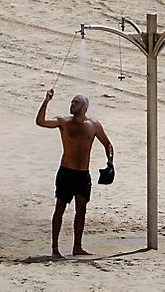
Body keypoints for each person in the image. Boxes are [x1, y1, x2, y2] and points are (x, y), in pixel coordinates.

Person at [36, 89, 113, 259]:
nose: (72, 105)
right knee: (60, 209)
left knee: (81, 210)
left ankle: (77, 246)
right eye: (71, 102)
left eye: (75, 103)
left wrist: (110, 162)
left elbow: (108, 144)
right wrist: (46, 101)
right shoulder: (63, 122)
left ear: (84, 107)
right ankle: (55, 248)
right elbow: (40, 122)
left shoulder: (93, 125)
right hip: (66, 172)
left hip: (83, 174)